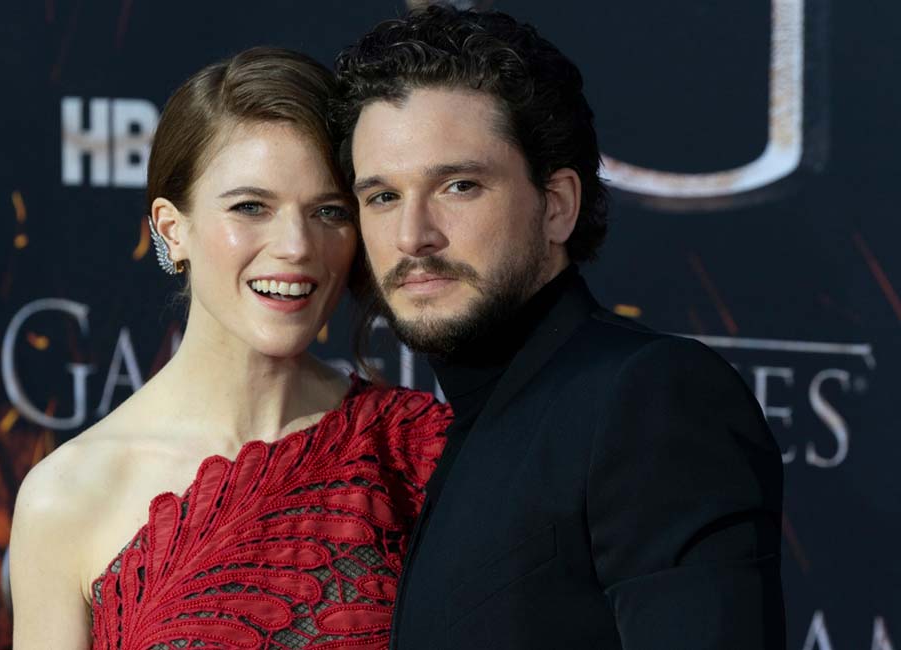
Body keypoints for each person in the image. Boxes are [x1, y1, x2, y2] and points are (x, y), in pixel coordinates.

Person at [333, 6, 786, 649]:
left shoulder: (651, 396)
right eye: (382, 197)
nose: (413, 236)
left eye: (459, 186)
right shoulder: (448, 436)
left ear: (557, 206)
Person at [9, 47, 450, 649]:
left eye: (329, 211)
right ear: (173, 228)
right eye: (251, 207)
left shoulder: (421, 453)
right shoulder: (67, 497)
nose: (296, 245)